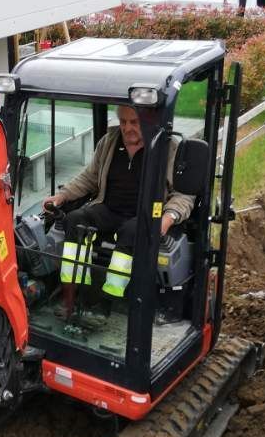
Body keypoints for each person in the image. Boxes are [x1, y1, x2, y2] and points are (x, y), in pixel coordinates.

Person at [43, 105, 194, 323]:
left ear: (149, 121)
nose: (127, 128)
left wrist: (167, 218)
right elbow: (89, 177)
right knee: (75, 219)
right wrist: (62, 196)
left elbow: (183, 195)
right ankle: (72, 297)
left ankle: (104, 303)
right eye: (123, 122)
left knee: (132, 231)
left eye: (134, 122)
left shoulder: (168, 148)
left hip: (145, 215)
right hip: (109, 208)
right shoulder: (109, 141)